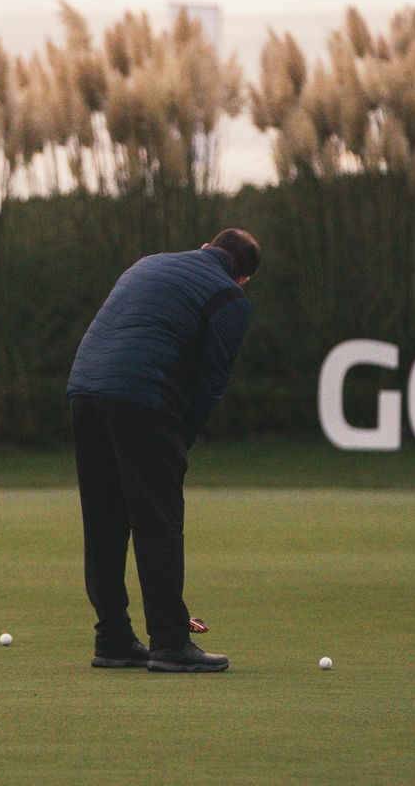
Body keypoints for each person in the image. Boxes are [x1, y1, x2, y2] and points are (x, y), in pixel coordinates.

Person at [67, 227, 258, 673]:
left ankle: (113, 639)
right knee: (158, 521)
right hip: (142, 397)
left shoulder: (147, 263)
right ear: (243, 277)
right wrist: (179, 442)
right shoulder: (230, 297)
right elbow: (210, 383)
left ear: (208, 245)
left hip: (84, 390)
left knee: (104, 520)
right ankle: (170, 641)